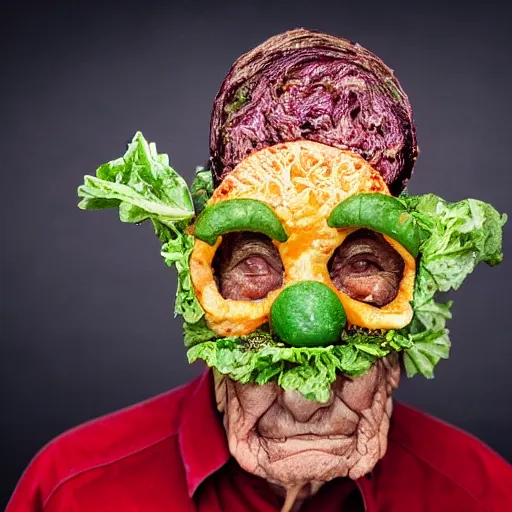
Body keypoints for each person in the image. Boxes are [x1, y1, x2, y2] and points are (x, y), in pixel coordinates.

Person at [7, 29, 512, 512]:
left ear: (412, 306)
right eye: (254, 265)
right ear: (201, 302)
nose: (303, 403)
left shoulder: (484, 495)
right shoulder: (68, 492)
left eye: (362, 264)